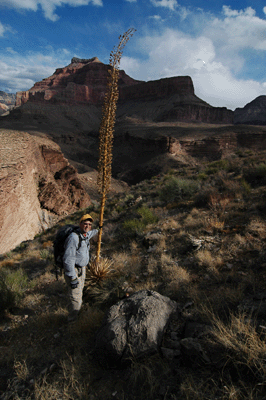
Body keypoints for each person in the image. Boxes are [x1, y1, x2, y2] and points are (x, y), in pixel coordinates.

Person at [63, 214, 98, 322]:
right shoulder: (74, 237)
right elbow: (68, 259)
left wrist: (98, 229)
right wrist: (72, 277)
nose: (87, 226)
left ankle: (76, 316)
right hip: (74, 271)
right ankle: (72, 321)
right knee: (75, 297)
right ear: (80, 224)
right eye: (85, 224)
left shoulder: (85, 235)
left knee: (79, 293)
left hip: (82, 270)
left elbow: (91, 233)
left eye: (89, 224)